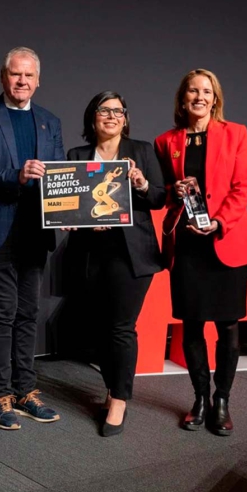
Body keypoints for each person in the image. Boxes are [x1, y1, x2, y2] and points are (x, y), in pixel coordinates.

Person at [0, 47, 65, 430]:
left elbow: (58, 175)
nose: (22, 82)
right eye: (15, 75)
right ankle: (0, 395)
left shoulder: (49, 121)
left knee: (28, 314)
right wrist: (14, 176)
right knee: (2, 315)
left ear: (38, 80)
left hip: (36, 232)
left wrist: (66, 211)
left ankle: (26, 390)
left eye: (29, 76)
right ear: (3, 77)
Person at [154, 69, 247, 436]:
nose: (199, 97)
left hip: (225, 241)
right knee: (193, 325)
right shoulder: (165, 140)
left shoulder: (236, 133)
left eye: (207, 91)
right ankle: (199, 398)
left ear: (215, 99)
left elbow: (242, 186)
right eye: (192, 91)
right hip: (187, 245)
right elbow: (165, 192)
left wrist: (217, 222)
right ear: (182, 99)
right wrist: (175, 189)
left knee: (229, 325)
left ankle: (222, 401)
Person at [63, 91, 166, 437]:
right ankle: (111, 387)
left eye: (117, 111)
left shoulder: (141, 151)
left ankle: (119, 399)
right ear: (92, 118)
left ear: (125, 117)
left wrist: (141, 182)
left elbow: (159, 197)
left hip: (130, 253)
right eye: (103, 111)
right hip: (90, 251)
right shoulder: (77, 156)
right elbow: (68, 203)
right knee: (97, 325)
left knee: (121, 326)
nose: (110, 116)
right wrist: (67, 217)